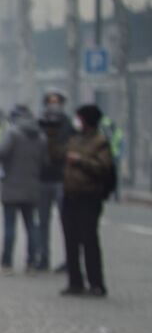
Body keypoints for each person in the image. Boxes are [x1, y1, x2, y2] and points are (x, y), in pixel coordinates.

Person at [58, 104, 114, 296]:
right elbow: (57, 154)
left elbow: (103, 167)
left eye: (80, 118)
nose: (77, 121)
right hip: (70, 196)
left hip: (89, 197)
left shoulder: (100, 142)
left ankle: (96, 283)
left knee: (89, 240)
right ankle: (75, 282)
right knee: (70, 240)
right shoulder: (75, 139)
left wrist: (80, 161)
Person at [0, 105, 44, 273]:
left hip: (12, 186)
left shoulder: (12, 133)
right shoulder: (40, 136)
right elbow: (45, 160)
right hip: (32, 186)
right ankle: (32, 262)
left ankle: (7, 262)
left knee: (10, 226)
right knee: (31, 226)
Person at [35, 89, 73, 271]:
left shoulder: (68, 125)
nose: (54, 106)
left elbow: (68, 149)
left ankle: (70, 259)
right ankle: (43, 257)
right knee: (42, 222)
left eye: (56, 102)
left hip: (62, 179)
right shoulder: (39, 124)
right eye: (51, 102)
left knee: (67, 222)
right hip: (42, 179)